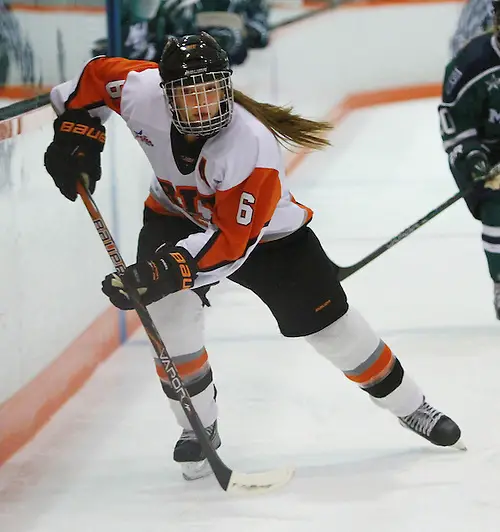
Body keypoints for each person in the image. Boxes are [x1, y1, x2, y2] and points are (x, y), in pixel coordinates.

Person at [44, 32, 464, 481]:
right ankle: (198, 428)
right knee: (168, 317)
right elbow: (91, 81)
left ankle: (412, 406)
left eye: (211, 91)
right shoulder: (141, 91)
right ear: (167, 96)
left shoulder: (251, 145)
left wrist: (161, 270)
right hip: (174, 214)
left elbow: (228, 246)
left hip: (267, 237)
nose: (205, 105)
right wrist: (79, 134)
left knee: (332, 331)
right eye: (190, 95)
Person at [439, 0, 500, 321]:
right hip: (485, 152)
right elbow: (455, 122)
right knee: (496, 204)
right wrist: (474, 157)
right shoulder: (471, 63)